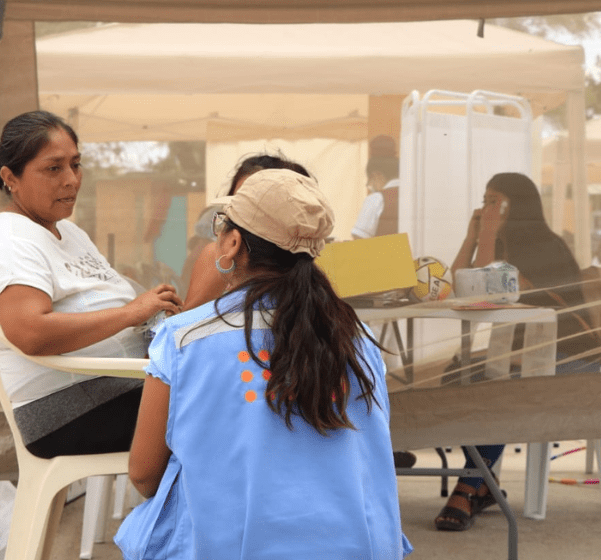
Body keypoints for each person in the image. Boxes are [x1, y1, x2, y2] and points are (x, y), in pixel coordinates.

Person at [115, 168, 413, 559]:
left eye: (221, 225)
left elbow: (143, 475)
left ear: (233, 242)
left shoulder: (183, 340)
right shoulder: (357, 342)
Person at [0, 110, 182, 460]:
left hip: (113, 389)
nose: (72, 180)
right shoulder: (11, 239)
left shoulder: (66, 230)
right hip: (66, 410)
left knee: (233, 385)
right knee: (226, 407)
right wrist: (130, 313)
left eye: (76, 164)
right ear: (10, 177)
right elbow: (30, 332)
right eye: (54, 168)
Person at [436, 172, 601, 532]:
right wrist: (473, 236)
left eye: (496, 201)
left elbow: (489, 292)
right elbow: (461, 287)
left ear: (518, 206)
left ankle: (469, 486)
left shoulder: (543, 246)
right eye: (485, 199)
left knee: (495, 387)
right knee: (458, 375)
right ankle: (482, 483)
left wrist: (489, 235)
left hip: (572, 359)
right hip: (529, 355)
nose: (487, 208)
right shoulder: (503, 241)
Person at [180, 154, 312, 311]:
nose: (243, 212)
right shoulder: (220, 256)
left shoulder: (301, 255)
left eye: (255, 202)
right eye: (238, 201)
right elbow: (188, 323)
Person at [351, 135, 400, 239]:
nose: (369, 185)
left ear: (377, 175)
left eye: (370, 180)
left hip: (385, 254)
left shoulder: (376, 199)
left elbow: (359, 238)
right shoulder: (416, 198)